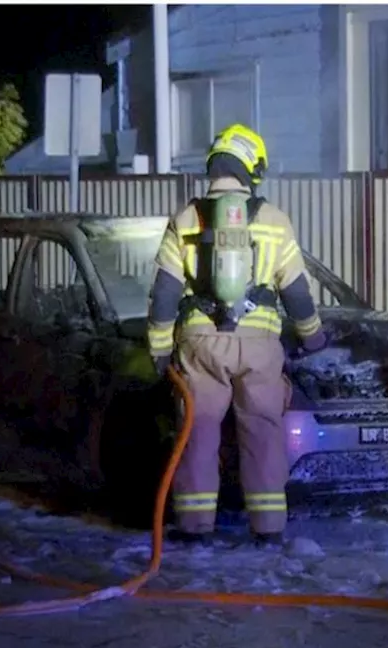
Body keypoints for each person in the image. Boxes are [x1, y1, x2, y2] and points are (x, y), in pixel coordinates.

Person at [146, 123, 328, 547]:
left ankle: (194, 529)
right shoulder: (274, 220)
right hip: (260, 347)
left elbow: (165, 294)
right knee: (263, 432)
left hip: (202, 345)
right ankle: (268, 530)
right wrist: (313, 337)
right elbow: (297, 293)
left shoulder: (187, 217)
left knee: (198, 431)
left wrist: (158, 349)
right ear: (252, 168)